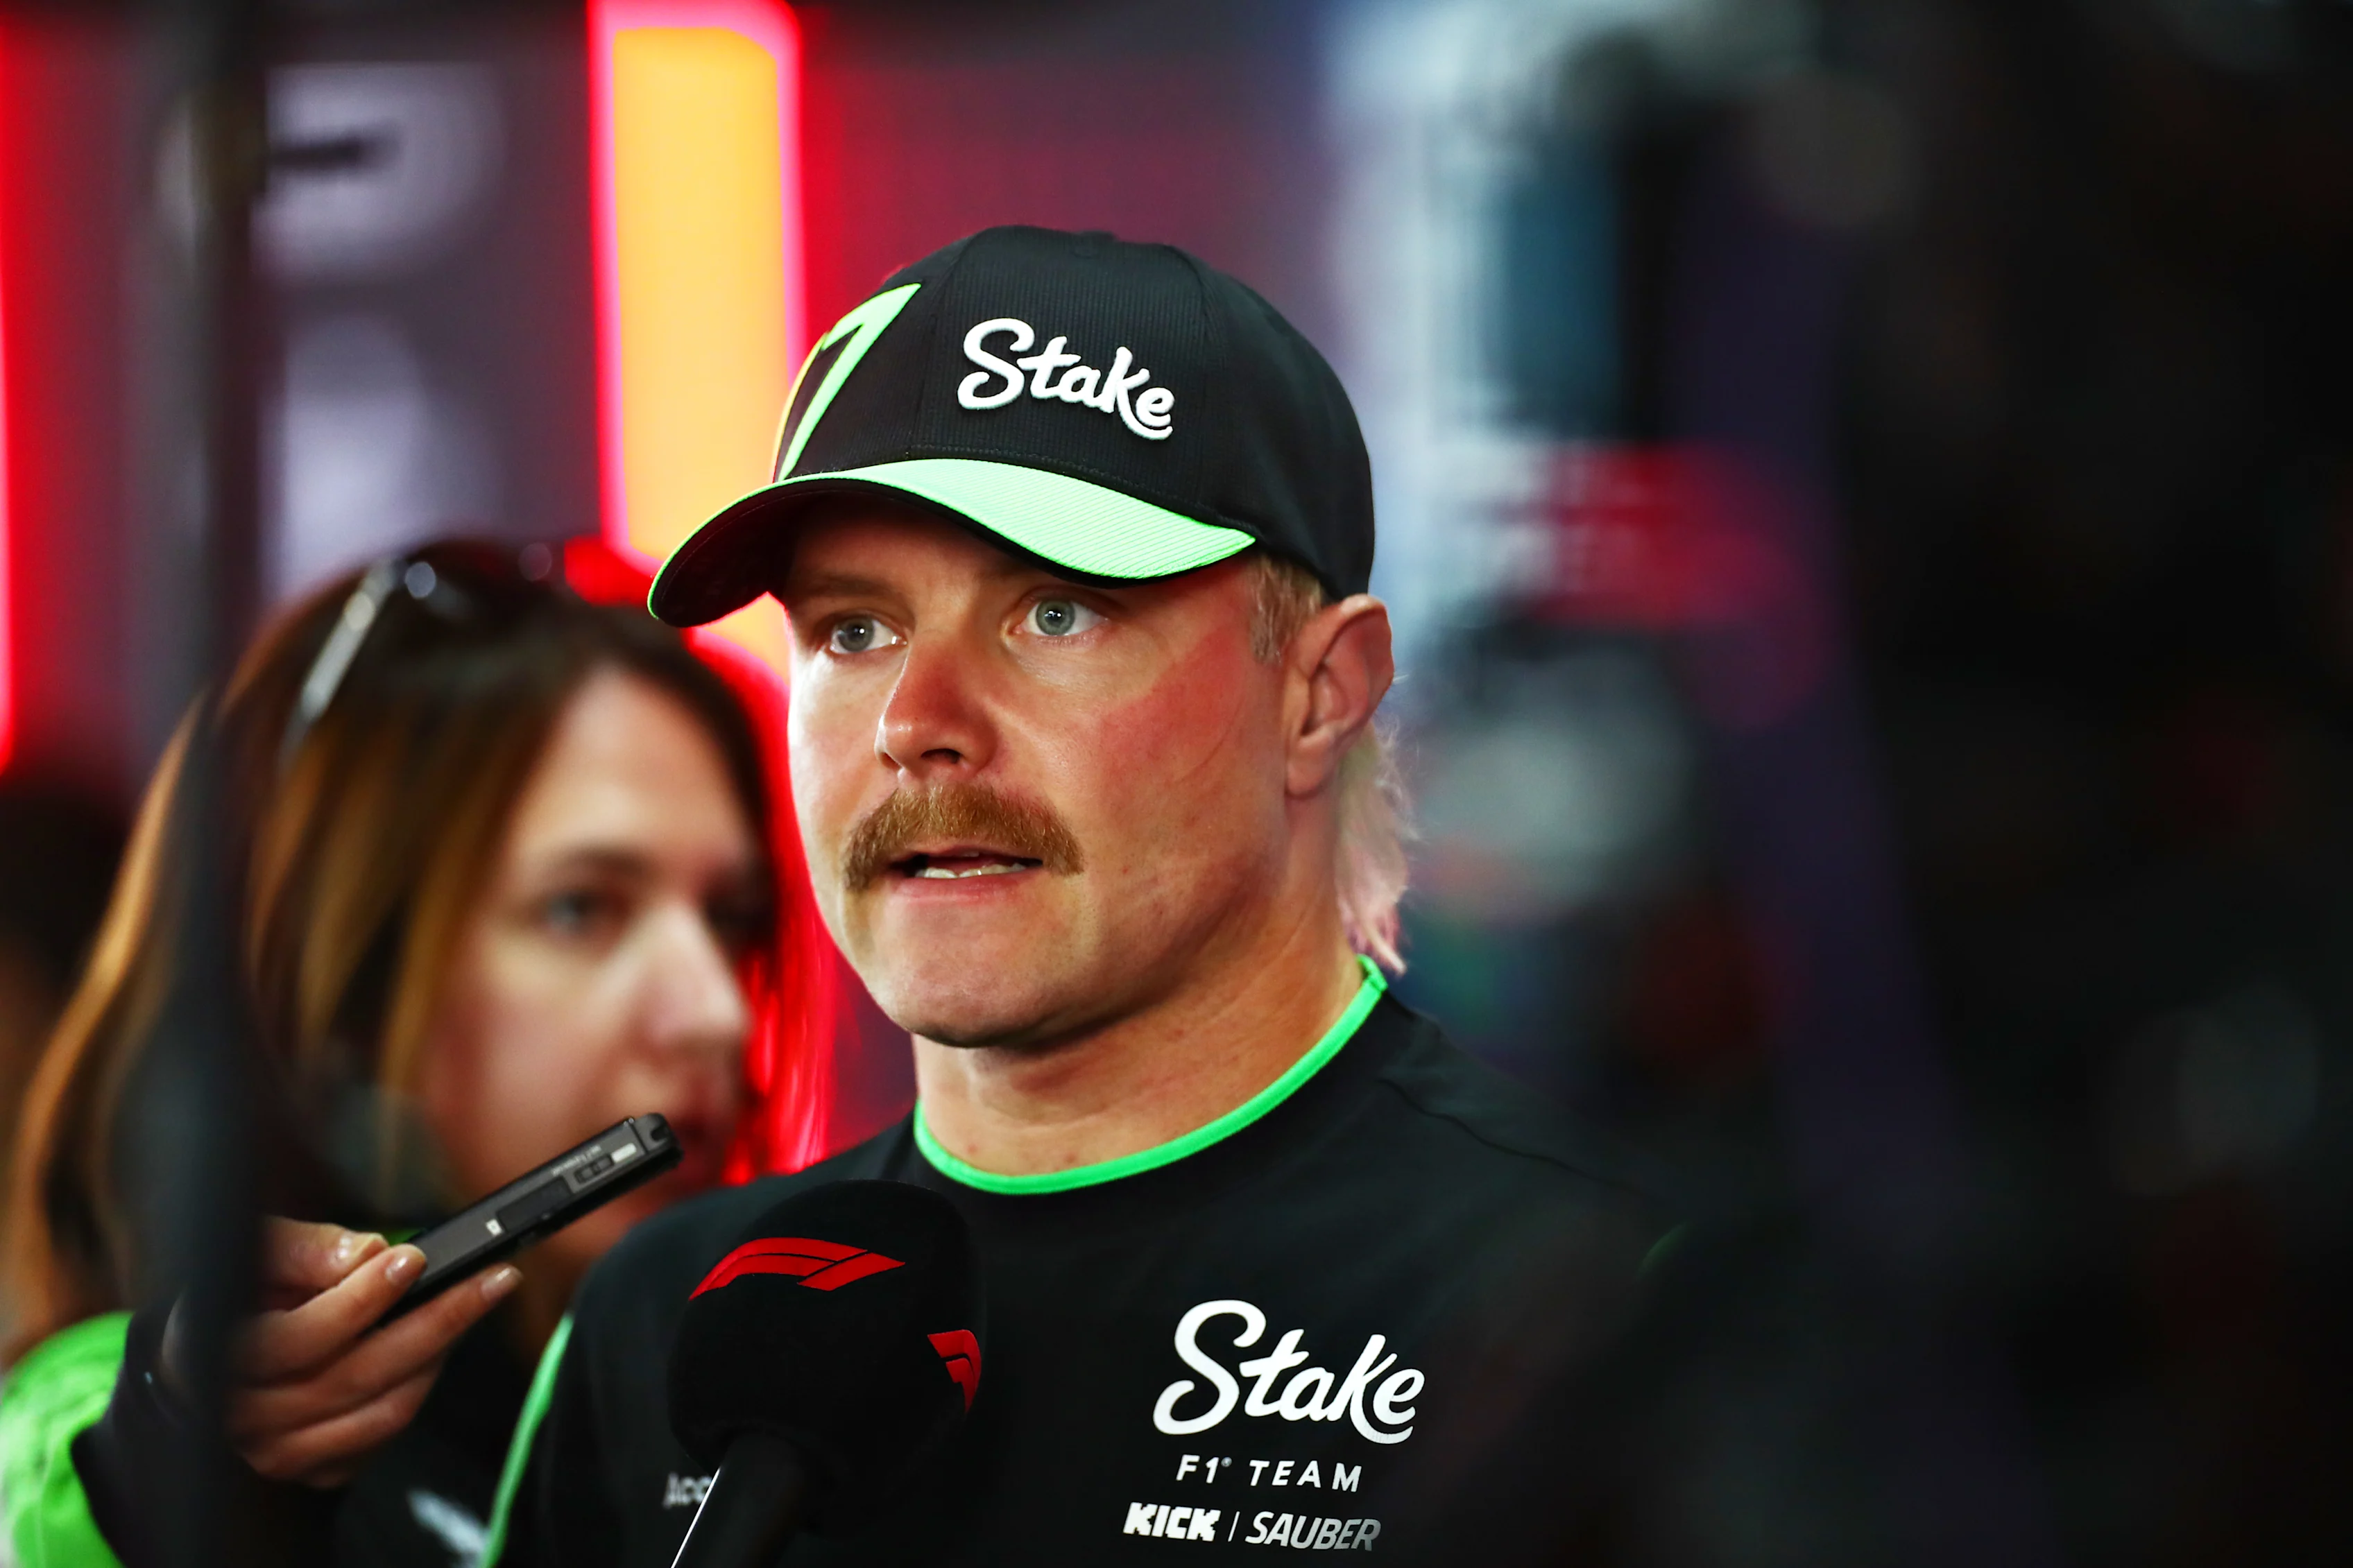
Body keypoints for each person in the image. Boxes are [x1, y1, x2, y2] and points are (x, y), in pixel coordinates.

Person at [488, 226, 1671, 1567]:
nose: (915, 723)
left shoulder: (1597, 1292)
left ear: (1321, 695)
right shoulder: (662, 1319)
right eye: (853, 630)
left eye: (1058, 613)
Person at [0, 541, 835, 1567]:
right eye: (581, 910)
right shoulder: (93, 1432)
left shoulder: (769, 1409)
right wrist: (167, 1454)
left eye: (732, 918)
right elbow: (48, 1489)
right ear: (341, 980)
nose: (716, 1013)